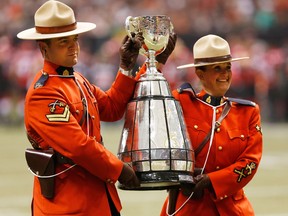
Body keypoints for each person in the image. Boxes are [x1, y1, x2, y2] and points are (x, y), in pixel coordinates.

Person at [17, 1, 144, 215]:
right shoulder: (44, 92)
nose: (72, 46)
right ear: (43, 48)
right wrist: (120, 169)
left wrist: (126, 67)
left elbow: (112, 108)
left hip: (97, 197)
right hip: (68, 204)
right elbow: (78, 146)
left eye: (74, 39)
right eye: (62, 42)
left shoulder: (77, 80)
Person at [158, 34, 263, 215]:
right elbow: (146, 98)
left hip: (232, 209)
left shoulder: (248, 112)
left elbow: (250, 163)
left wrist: (212, 181)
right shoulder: (180, 102)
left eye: (228, 67)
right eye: (217, 68)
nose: (225, 74)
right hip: (188, 206)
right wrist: (157, 63)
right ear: (200, 74)